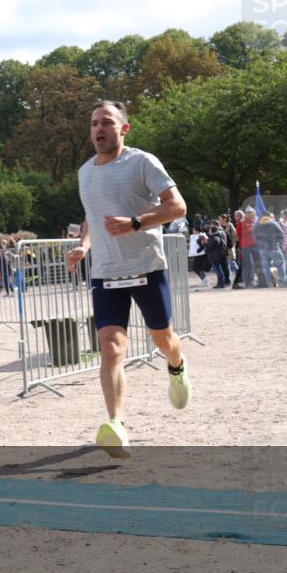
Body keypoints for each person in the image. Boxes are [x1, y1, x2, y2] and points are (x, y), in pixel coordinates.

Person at [66, 100, 192, 458]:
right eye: (93, 123)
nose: (98, 129)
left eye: (106, 122)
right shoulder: (85, 172)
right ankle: (117, 425)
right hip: (106, 273)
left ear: (124, 128)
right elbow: (91, 216)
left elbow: (177, 206)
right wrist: (83, 246)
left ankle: (177, 366)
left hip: (146, 268)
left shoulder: (142, 162)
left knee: (165, 340)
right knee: (110, 347)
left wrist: (135, 223)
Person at [254, 212, 287, 287]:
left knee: (266, 267)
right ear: (269, 216)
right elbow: (281, 234)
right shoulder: (274, 223)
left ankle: (270, 283)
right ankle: (284, 283)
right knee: (281, 264)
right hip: (274, 247)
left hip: (263, 249)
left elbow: (255, 237)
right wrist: (278, 243)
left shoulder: (257, 225)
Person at [237, 207, 259, 287]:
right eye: (251, 213)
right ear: (247, 214)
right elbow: (239, 234)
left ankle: (252, 281)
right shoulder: (241, 222)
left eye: (253, 213)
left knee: (255, 264)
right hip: (245, 246)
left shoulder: (254, 221)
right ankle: (248, 282)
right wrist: (250, 229)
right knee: (249, 264)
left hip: (254, 246)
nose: (253, 214)